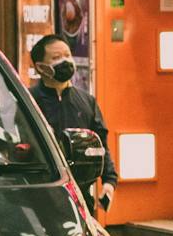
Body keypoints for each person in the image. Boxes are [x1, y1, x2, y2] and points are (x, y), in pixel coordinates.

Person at [28, 36, 116, 215]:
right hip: (40, 196)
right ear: (40, 67)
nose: (65, 61)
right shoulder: (28, 101)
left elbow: (101, 145)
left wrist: (109, 182)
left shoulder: (87, 101)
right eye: (56, 57)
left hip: (81, 197)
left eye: (67, 55)